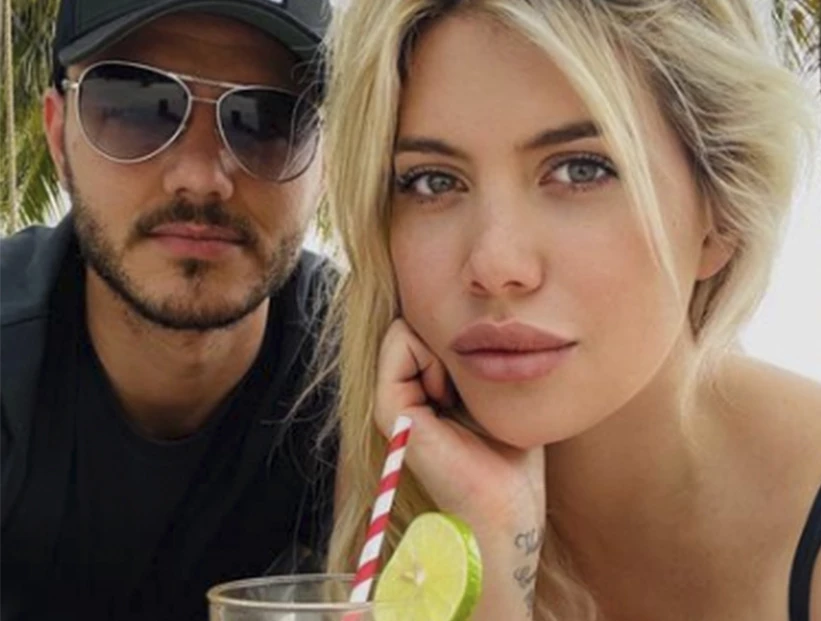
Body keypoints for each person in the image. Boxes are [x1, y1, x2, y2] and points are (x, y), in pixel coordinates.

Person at [318, 1, 821, 620]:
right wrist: (492, 561)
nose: (495, 264)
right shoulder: (403, 475)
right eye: (432, 182)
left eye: (581, 170)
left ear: (720, 217)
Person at [1, 1, 335, 619]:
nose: (201, 177)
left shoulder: (378, 385)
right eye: (137, 107)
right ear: (58, 137)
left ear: (326, 165)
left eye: (267, 120)